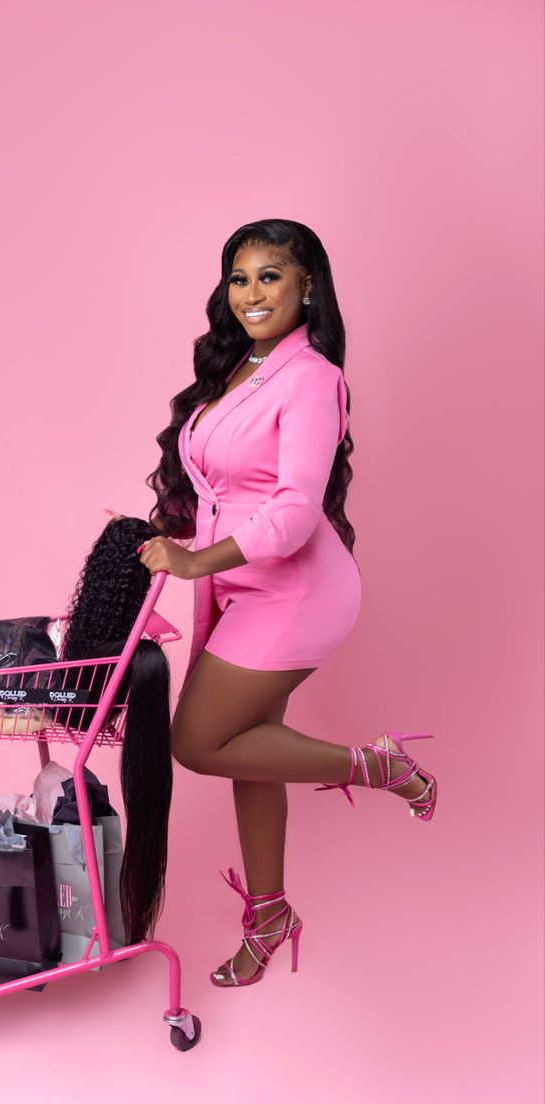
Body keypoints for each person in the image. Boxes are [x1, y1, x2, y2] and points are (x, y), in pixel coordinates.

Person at [130, 219, 437, 988]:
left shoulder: (311, 377)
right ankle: (270, 915)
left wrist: (197, 560)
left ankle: (377, 765)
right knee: (248, 749)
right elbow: (222, 486)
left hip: (297, 589)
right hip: (241, 586)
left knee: (199, 741)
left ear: (308, 286)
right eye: (240, 277)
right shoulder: (240, 366)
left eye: (272, 276)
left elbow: (297, 512)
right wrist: (162, 534)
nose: (252, 292)